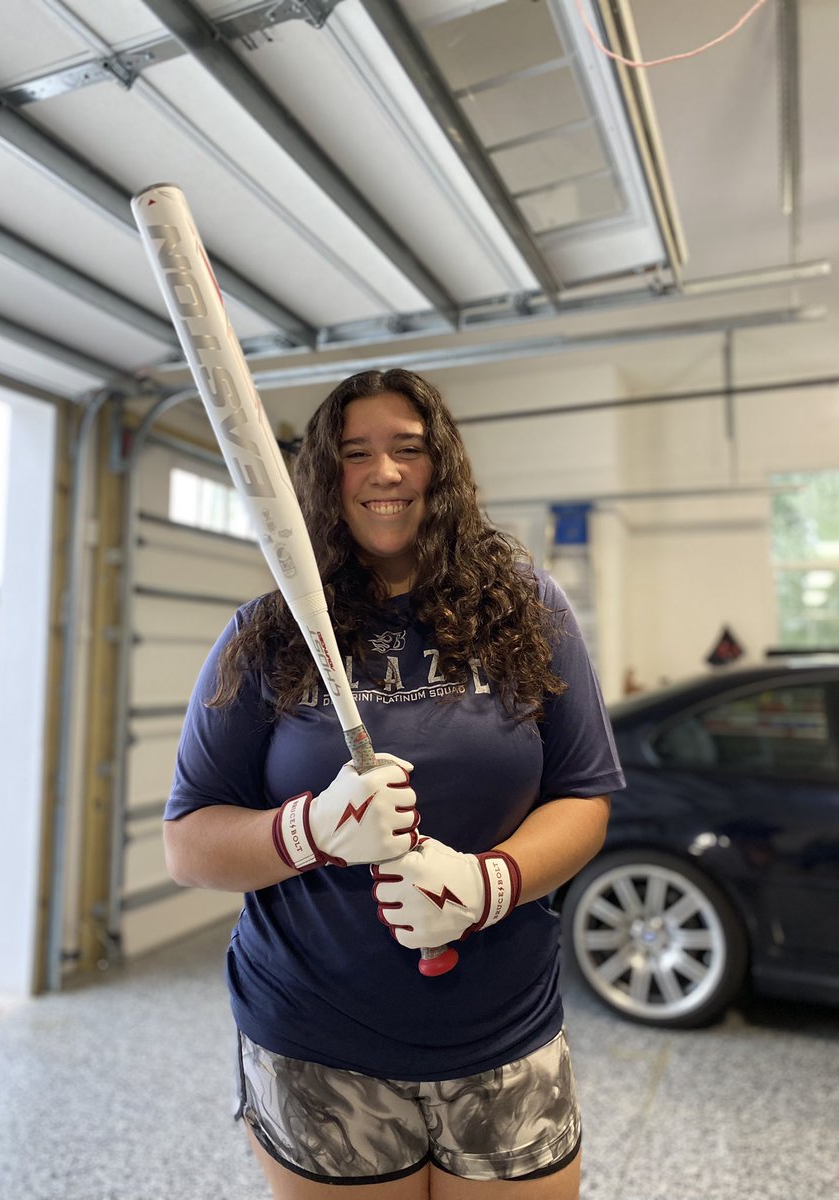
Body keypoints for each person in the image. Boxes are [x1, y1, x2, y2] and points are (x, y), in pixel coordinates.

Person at [163, 368, 625, 1199]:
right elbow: (189, 844)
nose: (384, 473)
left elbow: (584, 798)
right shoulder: (268, 634)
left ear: (439, 467)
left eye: (408, 450)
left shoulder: (529, 610)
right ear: (323, 475)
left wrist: (491, 882)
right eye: (355, 453)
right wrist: (309, 830)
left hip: (504, 1034)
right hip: (316, 1039)